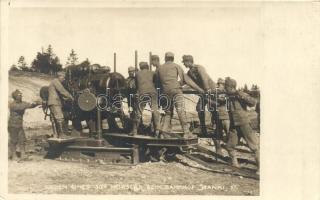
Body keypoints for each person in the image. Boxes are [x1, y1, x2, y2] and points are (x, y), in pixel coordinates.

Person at [157, 52, 203, 139]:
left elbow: (157, 83)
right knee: (180, 111)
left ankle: (164, 132)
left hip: (165, 92)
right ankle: (186, 132)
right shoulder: (176, 66)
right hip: (176, 90)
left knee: (167, 113)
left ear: (165, 58)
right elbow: (184, 80)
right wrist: (199, 90)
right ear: (173, 58)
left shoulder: (160, 68)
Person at [224, 77, 260, 174]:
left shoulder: (240, 94)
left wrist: (241, 95)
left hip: (244, 124)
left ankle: (261, 168)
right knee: (229, 146)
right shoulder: (228, 96)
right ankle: (235, 165)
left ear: (231, 87)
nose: (224, 88)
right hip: (234, 125)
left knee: (254, 147)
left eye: (225, 86)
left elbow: (253, 102)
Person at [182, 55, 216, 137]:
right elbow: (185, 82)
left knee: (213, 108)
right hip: (204, 92)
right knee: (199, 108)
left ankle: (217, 128)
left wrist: (207, 90)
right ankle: (203, 129)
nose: (184, 64)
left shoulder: (199, 68)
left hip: (211, 90)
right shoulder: (189, 73)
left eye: (184, 62)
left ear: (189, 61)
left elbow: (204, 78)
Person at [8, 89, 40, 161]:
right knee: (14, 141)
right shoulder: (13, 105)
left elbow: (29, 105)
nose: (21, 96)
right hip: (13, 125)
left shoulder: (22, 103)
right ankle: (13, 155)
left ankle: (23, 155)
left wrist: (36, 103)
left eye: (21, 95)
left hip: (19, 125)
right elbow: (23, 107)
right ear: (15, 97)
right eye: (19, 95)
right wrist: (33, 104)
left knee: (22, 140)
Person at [130, 62, 160, 137]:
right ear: (147, 67)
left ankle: (134, 131)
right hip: (152, 93)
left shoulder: (137, 74)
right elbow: (156, 83)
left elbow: (136, 85)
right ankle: (157, 130)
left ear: (140, 67)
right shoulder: (153, 73)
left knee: (138, 112)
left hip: (141, 93)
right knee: (155, 111)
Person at [48, 71, 74, 138]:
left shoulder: (54, 82)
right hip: (55, 102)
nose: (64, 79)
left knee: (56, 118)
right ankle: (62, 135)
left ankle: (56, 134)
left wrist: (66, 98)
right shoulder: (56, 81)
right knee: (60, 118)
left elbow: (60, 94)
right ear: (59, 76)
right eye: (63, 77)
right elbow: (62, 90)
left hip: (54, 102)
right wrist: (70, 96)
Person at [213, 78, 230, 155]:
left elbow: (224, 100)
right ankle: (218, 152)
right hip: (218, 117)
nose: (220, 86)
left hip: (226, 117)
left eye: (222, 84)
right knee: (216, 136)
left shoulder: (227, 93)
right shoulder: (214, 92)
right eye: (219, 84)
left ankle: (230, 152)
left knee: (229, 135)